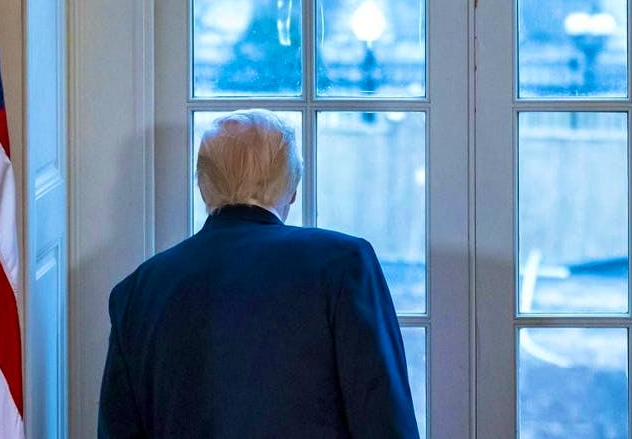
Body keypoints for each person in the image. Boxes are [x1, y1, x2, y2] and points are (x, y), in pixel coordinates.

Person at [99, 109, 419, 438]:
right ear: (292, 188)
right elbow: (384, 420)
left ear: (204, 189)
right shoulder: (343, 263)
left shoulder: (137, 292)